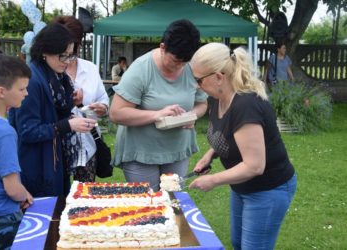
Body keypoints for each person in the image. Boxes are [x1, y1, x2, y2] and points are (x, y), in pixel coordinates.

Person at [189, 43, 297, 250]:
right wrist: (210, 154)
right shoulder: (218, 99)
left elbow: (255, 166)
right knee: (239, 243)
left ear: (219, 77)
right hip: (242, 186)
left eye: (198, 80)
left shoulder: (246, 106)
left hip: (268, 189)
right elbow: (228, 133)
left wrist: (212, 180)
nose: (196, 86)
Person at [109, 19, 208, 191]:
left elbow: (202, 104)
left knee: (173, 204)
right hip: (141, 153)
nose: (180, 67)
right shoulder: (140, 69)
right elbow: (116, 113)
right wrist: (156, 114)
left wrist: (192, 116)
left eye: (185, 62)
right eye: (176, 61)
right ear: (162, 47)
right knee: (147, 209)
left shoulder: (190, 67)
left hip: (177, 151)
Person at [9, 23, 97, 197]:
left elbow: (53, 113)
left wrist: (71, 103)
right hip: (37, 165)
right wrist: (68, 125)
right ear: (44, 52)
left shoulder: (56, 77)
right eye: (62, 56)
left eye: (70, 56)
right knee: (46, 216)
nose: (67, 62)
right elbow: (28, 131)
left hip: (54, 160)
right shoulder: (33, 81)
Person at [53, 15, 110, 182]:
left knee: (85, 197)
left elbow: (103, 99)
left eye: (75, 43)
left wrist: (102, 108)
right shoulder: (49, 72)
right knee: (60, 198)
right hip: (58, 147)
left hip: (88, 144)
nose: (71, 49)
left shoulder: (90, 68)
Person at [0, 54, 34, 249]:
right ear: (2, 92)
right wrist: (25, 195)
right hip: (4, 219)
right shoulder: (4, 132)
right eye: (22, 88)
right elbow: (12, 189)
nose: (26, 93)